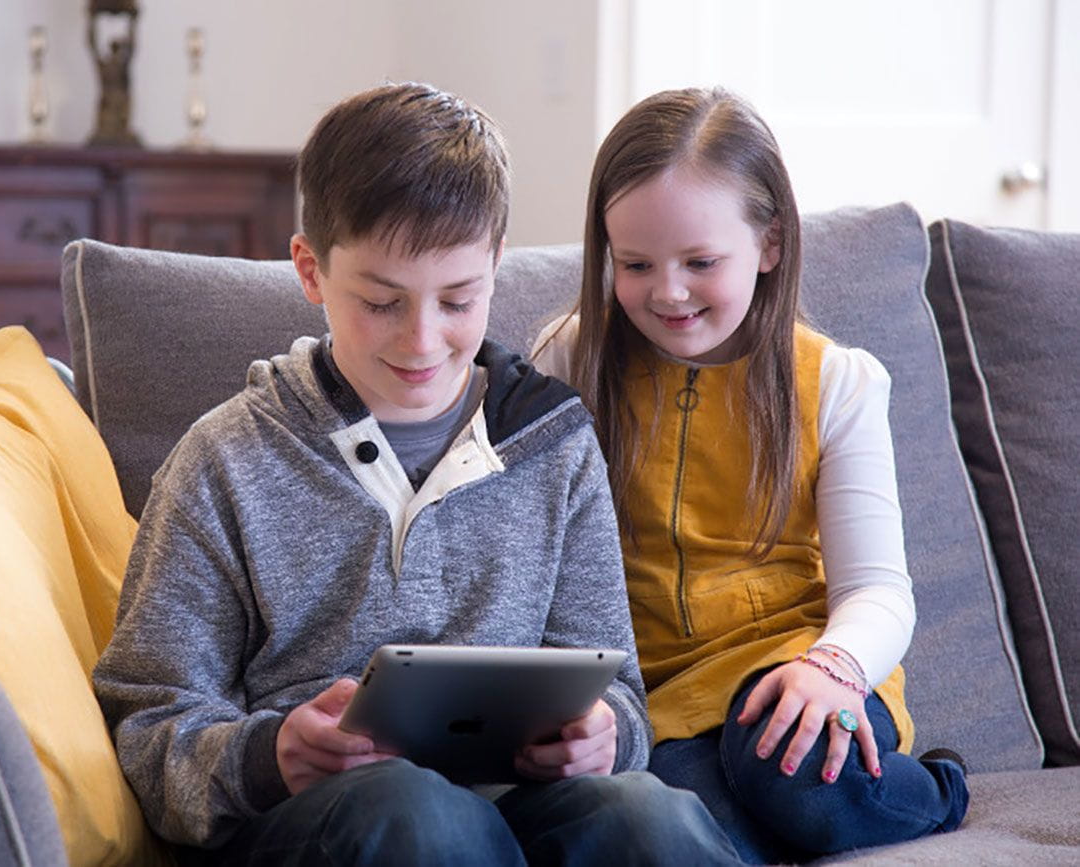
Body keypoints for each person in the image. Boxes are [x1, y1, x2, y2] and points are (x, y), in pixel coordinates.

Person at [92, 82, 740, 866]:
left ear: (496, 265)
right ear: (309, 269)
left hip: (517, 808)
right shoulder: (224, 460)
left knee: (648, 816)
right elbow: (148, 724)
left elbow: (618, 696)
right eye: (381, 301)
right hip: (324, 820)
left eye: (458, 300)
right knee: (420, 816)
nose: (423, 340)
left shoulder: (554, 443)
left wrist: (602, 735)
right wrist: (266, 757)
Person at [533, 86, 970, 863]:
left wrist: (831, 667)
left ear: (768, 244)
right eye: (634, 264)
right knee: (666, 825)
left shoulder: (834, 381)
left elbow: (877, 588)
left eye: (700, 262)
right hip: (661, 704)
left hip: (802, 667)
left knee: (787, 760)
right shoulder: (570, 361)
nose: (666, 291)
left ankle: (937, 791)